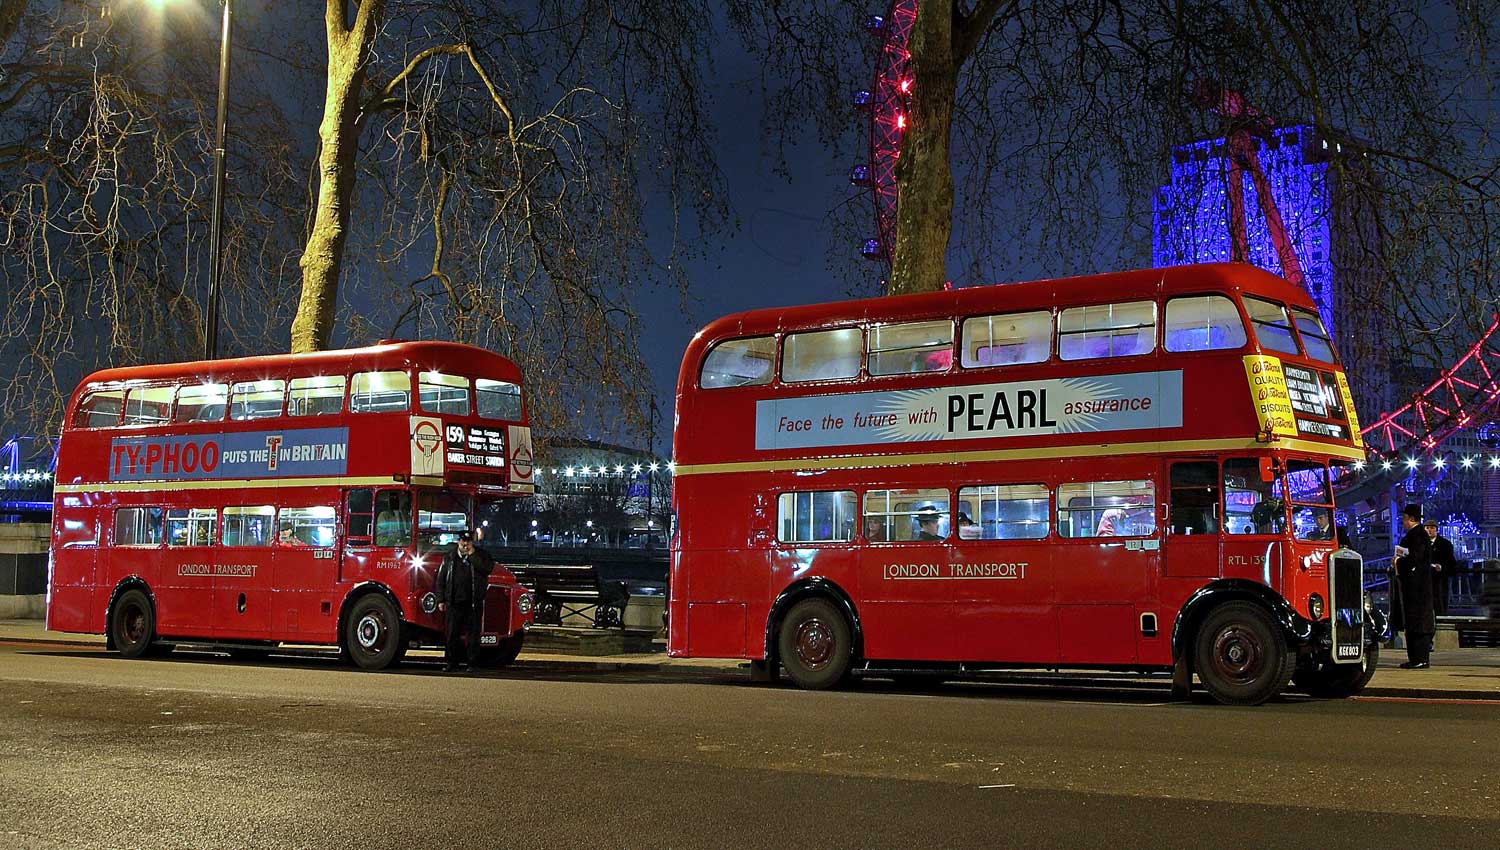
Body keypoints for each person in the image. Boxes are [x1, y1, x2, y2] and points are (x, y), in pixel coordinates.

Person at [434, 530, 494, 672]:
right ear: (458, 541)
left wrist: (472, 555)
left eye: (468, 541)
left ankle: (472, 664)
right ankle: (451, 663)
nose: (465, 544)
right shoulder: (449, 557)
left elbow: (487, 569)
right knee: (451, 634)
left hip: (473, 602)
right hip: (454, 602)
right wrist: (441, 599)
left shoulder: (481, 555)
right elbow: (441, 579)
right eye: (463, 541)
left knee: (473, 635)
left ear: (472, 542)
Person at [1393, 504, 1435, 669]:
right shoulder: (1416, 535)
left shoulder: (1417, 535)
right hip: (1416, 587)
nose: (1403, 521)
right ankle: (1416, 658)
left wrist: (1398, 561)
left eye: (1404, 518)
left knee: (1417, 623)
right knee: (1413, 622)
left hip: (1417, 588)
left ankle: (1420, 658)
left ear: (1411, 519)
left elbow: (1415, 559)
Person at [1425, 519, 1457, 617]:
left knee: (1440, 607)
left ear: (1436, 530)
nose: (1429, 530)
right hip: (1425, 581)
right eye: (1427, 528)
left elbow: (1452, 564)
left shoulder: (1445, 544)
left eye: (1432, 528)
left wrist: (1442, 567)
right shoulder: (1420, 544)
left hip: (1440, 581)